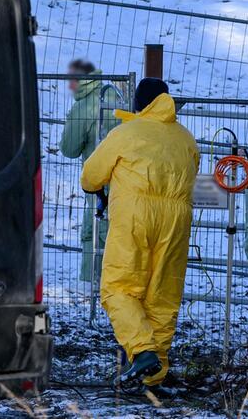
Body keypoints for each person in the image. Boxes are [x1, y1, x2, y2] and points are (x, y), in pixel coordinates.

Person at [80, 78, 199, 393]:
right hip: (176, 221)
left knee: (118, 289)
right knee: (162, 296)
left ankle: (142, 351)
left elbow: (90, 176)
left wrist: (100, 189)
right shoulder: (186, 139)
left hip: (135, 217)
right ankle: (152, 378)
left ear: (140, 102)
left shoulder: (124, 134)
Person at [59, 59, 119, 282]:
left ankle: (92, 287)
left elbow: (69, 148)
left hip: (99, 180)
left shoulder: (84, 107)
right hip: (127, 178)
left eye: (70, 80)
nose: (69, 86)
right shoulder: (118, 96)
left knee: (94, 232)